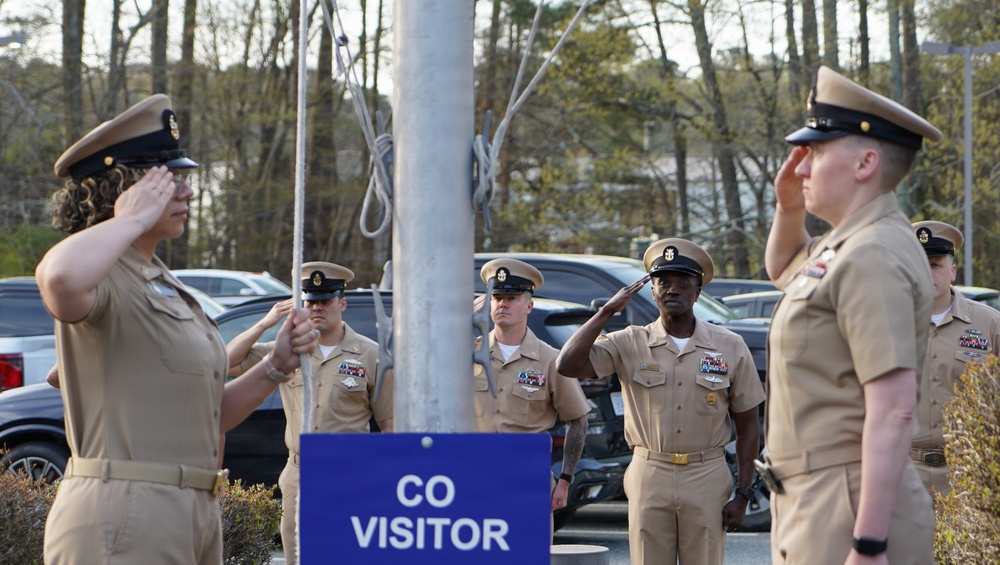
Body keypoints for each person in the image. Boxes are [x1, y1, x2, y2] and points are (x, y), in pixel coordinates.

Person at [36, 94, 316, 565]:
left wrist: (274, 366)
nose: (187, 193)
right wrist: (130, 220)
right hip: (125, 508)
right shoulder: (103, 271)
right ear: (125, 190)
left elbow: (205, 416)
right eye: (169, 182)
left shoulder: (160, 277)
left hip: (192, 509)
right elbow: (58, 278)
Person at [762, 66, 941, 564]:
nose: (800, 167)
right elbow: (784, 271)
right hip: (823, 494)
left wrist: (868, 544)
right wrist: (788, 207)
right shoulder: (852, 242)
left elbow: (895, 407)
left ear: (865, 162)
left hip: (847, 502)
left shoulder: (872, 253)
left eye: (814, 153)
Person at [556, 239, 764, 565]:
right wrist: (607, 311)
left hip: (706, 474)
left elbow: (748, 423)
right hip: (649, 473)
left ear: (697, 293)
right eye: (663, 283)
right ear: (652, 291)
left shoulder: (730, 345)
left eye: (684, 284)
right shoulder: (629, 341)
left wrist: (743, 492)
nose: (673, 290)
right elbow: (566, 364)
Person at [226, 261, 393, 565]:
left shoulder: (371, 355)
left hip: (351, 472)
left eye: (326, 300)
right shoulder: (288, 350)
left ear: (341, 303)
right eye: (311, 302)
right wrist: (265, 323)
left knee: (347, 554)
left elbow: (389, 426)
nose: (318, 308)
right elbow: (228, 361)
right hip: (299, 472)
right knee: (297, 555)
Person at [473, 258, 590, 515]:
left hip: (527, 477)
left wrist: (564, 480)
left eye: (512, 298)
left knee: (529, 554)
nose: (502, 303)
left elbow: (578, 421)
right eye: (497, 297)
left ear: (529, 305)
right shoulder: (467, 353)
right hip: (473, 475)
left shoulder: (549, 359)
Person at [910, 220, 1000, 498]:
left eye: (936, 265)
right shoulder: (885, 323)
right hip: (903, 473)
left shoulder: (989, 324)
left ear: (952, 271)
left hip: (970, 473)